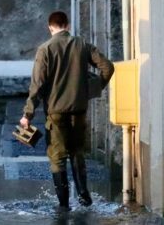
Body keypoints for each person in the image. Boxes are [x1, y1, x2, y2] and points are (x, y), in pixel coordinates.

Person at [19, 11, 114, 212]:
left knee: (57, 156)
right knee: (77, 152)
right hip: (79, 110)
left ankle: (63, 205)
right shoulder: (81, 44)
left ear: (50, 27)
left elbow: (37, 86)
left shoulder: (45, 49)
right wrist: (93, 88)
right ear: (67, 25)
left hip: (55, 112)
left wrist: (27, 115)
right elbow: (107, 67)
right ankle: (84, 195)